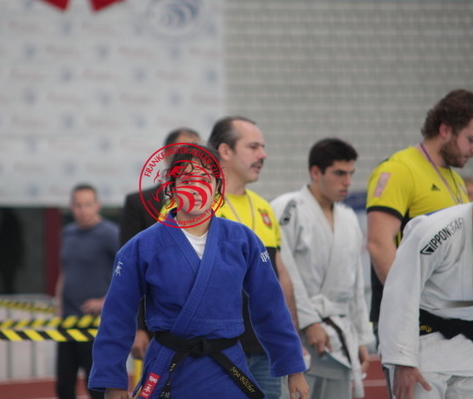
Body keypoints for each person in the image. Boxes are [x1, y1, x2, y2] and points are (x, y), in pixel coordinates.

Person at [89, 144, 309, 399]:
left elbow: (270, 305)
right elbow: (116, 316)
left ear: (218, 186)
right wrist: (113, 383)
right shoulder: (141, 247)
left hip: (227, 369)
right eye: (186, 180)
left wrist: (293, 367)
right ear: (172, 187)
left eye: (205, 179)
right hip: (170, 368)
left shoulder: (243, 240)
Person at [366, 89, 473, 331]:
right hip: (413, 320)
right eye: (471, 139)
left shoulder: (456, 181)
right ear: (445, 130)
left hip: (450, 316)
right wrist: (410, 309)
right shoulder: (399, 170)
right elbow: (378, 243)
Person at [271, 138, 373, 399]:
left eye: (351, 174)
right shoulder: (288, 208)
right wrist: (309, 322)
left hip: (339, 336)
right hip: (300, 335)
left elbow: (355, 283)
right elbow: (284, 271)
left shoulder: (349, 218)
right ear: (316, 172)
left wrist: (361, 337)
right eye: (339, 173)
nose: (347, 182)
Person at [208, 116, 301, 399]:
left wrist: (292, 345)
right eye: (253, 147)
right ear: (225, 151)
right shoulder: (193, 205)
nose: (263, 155)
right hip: (212, 350)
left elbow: (281, 279)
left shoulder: (263, 208)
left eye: (263, 147)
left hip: (264, 351)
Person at [379, 196, 473, 399]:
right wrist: (403, 361)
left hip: (470, 344)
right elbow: (400, 292)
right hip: (421, 343)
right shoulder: (435, 231)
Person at [120, 127, 200, 359]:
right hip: (157, 324)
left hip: (203, 325)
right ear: (166, 156)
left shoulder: (212, 204)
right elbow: (129, 270)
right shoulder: (139, 203)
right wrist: (137, 327)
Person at [54, 184, 119, 399]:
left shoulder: (110, 233)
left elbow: (128, 272)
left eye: (88, 205)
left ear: (97, 205)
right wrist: (58, 301)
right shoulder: (68, 232)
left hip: (95, 324)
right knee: (64, 387)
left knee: (96, 387)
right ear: (71, 207)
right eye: (78, 205)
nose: (83, 210)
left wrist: (105, 301)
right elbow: (65, 270)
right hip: (67, 321)